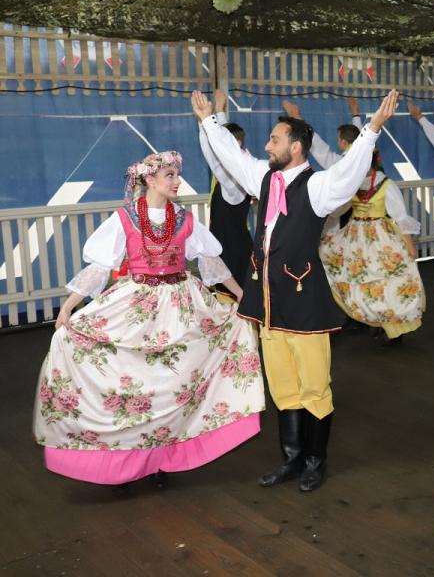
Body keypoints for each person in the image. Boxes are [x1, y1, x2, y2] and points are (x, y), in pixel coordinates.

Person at [193, 89, 399, 492]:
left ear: (296, 146)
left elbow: (349, 171)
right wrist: (209, 122)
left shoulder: (319, 186)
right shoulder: (264, 178)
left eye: (275, 139)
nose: (267, 145)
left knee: (314, 386)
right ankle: (290, 459)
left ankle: (314, 462)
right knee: (283, 384)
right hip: (268, 303)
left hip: (305, 303)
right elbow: (231, 157)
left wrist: (371, 129)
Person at [33, 151, 265, 485]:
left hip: (181, 304)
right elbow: (99, 268)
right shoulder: (125, 218)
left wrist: (241, 294)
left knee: (173, 385)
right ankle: (127, 462)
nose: (177, 181)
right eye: (170, 175)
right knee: (138, 385)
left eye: (177, 175)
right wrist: (69, 306)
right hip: (138, 303)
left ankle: (162, 460)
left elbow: (211, 262)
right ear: (150, 180)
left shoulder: (185, 219)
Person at [319, 148, 426, 343]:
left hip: (380, 237)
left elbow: (400, 216)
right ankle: (372, 321)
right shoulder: (353, 184)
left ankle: (393, 328)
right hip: (355, 237)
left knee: (386, 282)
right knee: (360, 280)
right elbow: (338, 209)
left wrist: (409, 245)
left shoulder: (386, 184)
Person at [197, 90, 254, 299]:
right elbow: (222, 143)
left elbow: (215, 155)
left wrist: (204, 120)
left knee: (235, 300)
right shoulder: (241, 168)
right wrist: (218, 112)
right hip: (231, 245)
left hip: (232, 252)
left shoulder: (233, 181)